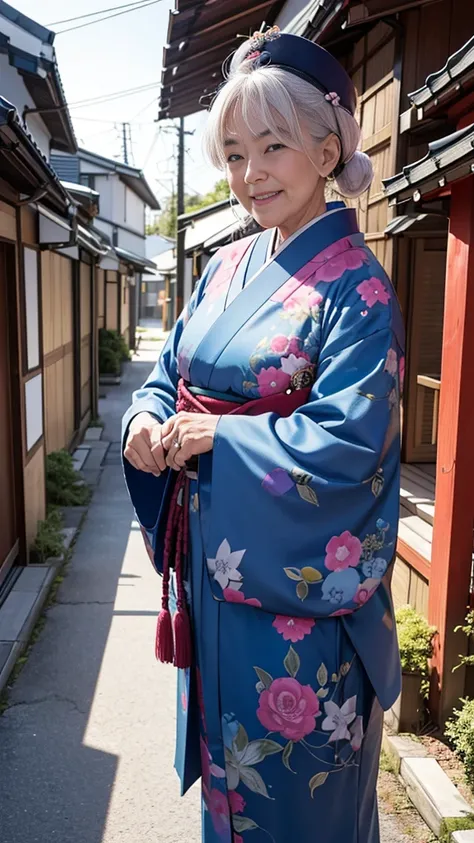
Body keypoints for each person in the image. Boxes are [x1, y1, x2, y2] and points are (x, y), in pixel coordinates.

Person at [122, 27, 404, 843]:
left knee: (302, 808)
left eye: (272, 147)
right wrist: (147, 418)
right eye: (236, 153)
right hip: (218, 587)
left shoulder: (361, 291)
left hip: (299, 609)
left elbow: (351, 445)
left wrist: (223, 439)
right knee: (231, 795)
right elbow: (165, 371)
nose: (249, 175)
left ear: (327, 150)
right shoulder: (223, 269)